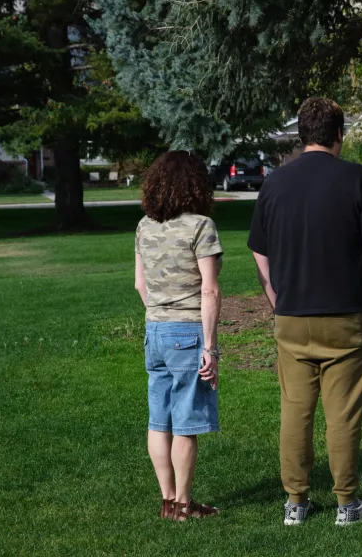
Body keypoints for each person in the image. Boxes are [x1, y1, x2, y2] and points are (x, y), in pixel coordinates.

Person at [248, 97, 362, 527]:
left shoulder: (275, 183)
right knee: (343, 414)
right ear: (338, 134)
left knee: (295, 411)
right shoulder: (357, 179)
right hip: (347, 318)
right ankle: (346, 504)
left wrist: (274, 295)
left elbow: (259, 250)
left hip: (292, 317)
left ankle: (295, 503)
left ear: (301, 134)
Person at [134, 151, 223, 521]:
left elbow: (139, 283)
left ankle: (168, 501)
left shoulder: (144, 226)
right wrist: (210, 346)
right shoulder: (201, 226)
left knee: (160, 420)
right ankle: (185, 505)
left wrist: (159, 311)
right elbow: (210, 290)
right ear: (196, 186)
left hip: (154, 330)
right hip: (188, 332)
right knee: (186, 421)